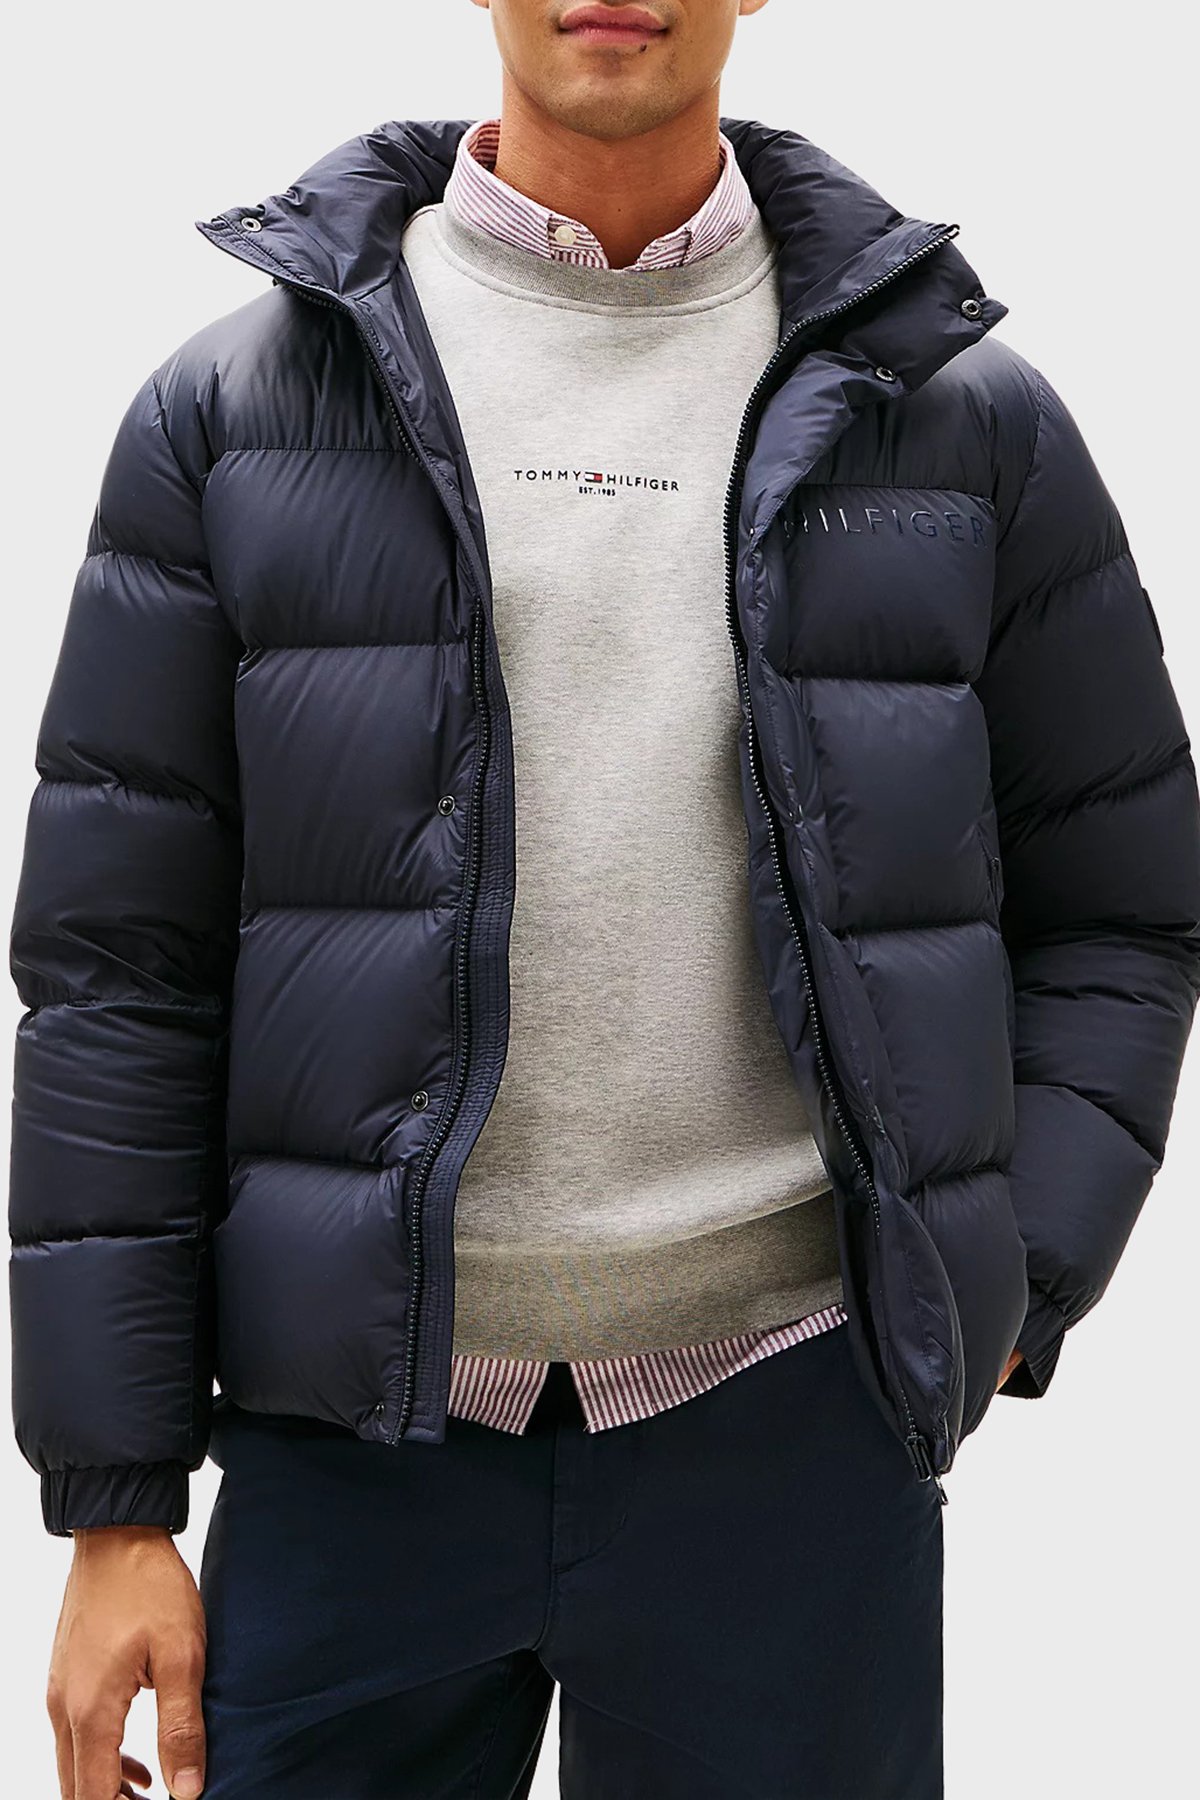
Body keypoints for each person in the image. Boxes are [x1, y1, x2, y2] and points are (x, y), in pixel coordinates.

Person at [10, 2, 1200, 1796]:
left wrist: (1009, 1267)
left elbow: (1123, 897)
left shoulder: (959, 419)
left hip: (792, 1426)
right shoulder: (236, 411)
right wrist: (114, 1506)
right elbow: (120, 971)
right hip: (353, 1444)